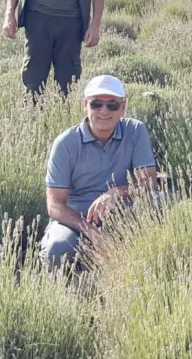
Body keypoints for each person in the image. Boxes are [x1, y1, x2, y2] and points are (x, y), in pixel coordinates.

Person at [41, 75, 158, 264]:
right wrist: (93, 234)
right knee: (58, 248)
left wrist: (116, 193)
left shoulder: (135, 131)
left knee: (159, 207)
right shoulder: (65, 143)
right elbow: (55, 205)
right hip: (76, 218)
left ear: (123, 107)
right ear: (85, 105)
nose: (104, 111)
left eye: (112, 105)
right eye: (96, 104)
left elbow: (148, 184)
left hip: (123, 209)